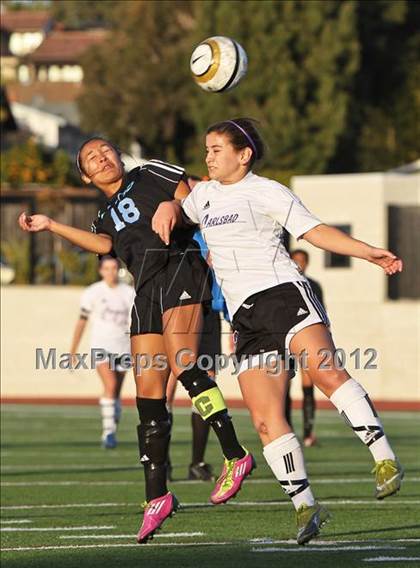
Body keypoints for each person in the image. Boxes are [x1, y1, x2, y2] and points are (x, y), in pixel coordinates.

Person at [151, 117, 404, 545]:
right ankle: (306, 506)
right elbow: (180, 209)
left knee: (325, 374)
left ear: (243, 154)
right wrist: (169, 206)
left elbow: (316, 232)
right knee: (266, 421)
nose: (207, 156)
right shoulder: (205, 196)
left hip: (283, 294)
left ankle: (384, 459)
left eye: (216, 149)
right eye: (207, 149)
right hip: (244, 317)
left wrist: (368, 253)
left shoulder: (267, 190)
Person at [18, 137, 255, 544]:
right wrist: (52, 225)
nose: (101, 157)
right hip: (144, 286)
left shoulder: (151, 173)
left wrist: (174, 207)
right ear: (86, 175)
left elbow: (197, 199)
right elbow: (107, 246)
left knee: (184, 364)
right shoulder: (104, 213)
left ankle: (235, 454)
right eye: (91, 157)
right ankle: (157, 496)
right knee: (147, 392)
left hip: (179, 267)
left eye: (105, 150)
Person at [70, 255, 134, 449]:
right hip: (101, 345)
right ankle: (108, 433)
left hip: (123, 346)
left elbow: (135, 322)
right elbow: (82, 321)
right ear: (101, 271)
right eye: (107, 268)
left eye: (114, 268)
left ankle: (112, 424)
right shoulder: (93, 292)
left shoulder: (129, 292)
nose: (110, 272)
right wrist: (73, 350)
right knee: (110, 384)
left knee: (116, 391)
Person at [285, 249, 326, 446]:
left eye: (302, 261)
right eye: (296, 260)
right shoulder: (281, 284)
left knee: (308, 385)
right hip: (285, 340)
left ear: (307, 263)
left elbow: (321, 314)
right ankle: (287, 430)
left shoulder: (314, 286)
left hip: (306, 339)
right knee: (284, 385)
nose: (299, 264)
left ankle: (309, 433)